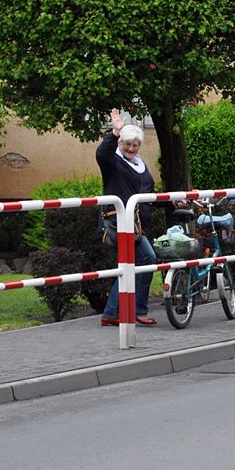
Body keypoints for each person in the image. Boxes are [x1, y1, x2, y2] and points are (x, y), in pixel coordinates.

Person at [96, 108, 158, 327]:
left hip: (138, 224)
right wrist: (114, 133)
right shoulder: (113, 162)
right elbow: (102, 153)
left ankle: (112, 312)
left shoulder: (140, 165)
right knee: (147, 259)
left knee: (130, 265)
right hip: (121, 222)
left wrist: (172, 201)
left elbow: (148, 194)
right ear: (120, 144)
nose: (131, 148)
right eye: (126, 144)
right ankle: (136, 309)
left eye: (135, 145)